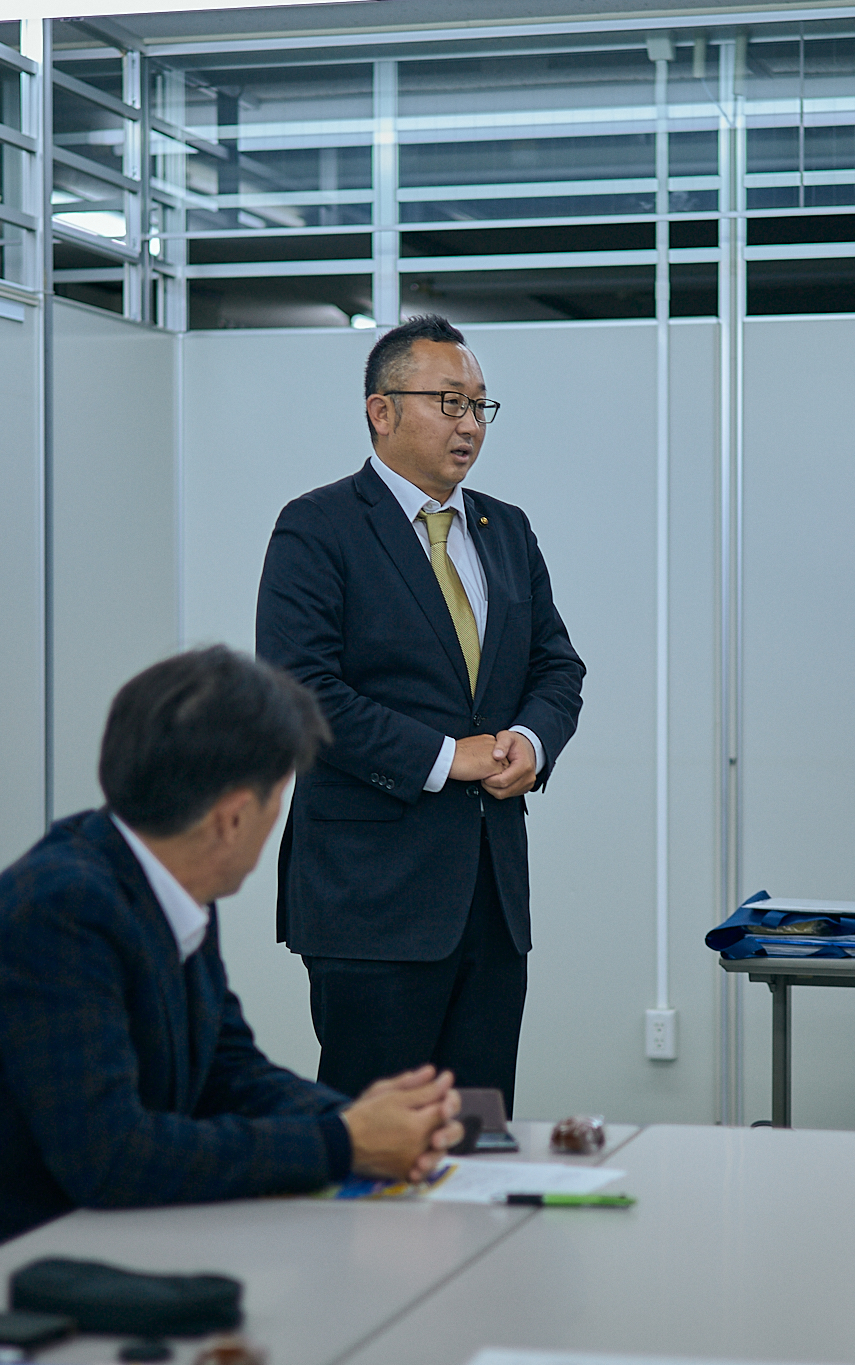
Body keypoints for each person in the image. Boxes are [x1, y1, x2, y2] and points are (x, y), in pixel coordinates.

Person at [0, 647, 463, 1322]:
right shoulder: (64, 908)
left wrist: (352, 1120)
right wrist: (345, 1144)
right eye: (277, 801)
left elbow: (228, 1070)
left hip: (46, 1256)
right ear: (231, 818)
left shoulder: (164, 882)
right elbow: (112, 1158)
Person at [255, 314, 585, 1117]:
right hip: (371, 904)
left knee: (475, 1131)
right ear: (382, 410)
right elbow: (300, 691)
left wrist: (530, 740)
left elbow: (556, 664)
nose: (470, 424)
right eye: (449, 401)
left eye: (480, 405)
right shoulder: (318, 526)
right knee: (379, 1147)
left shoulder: (504, 529)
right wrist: (448, 756)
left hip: (490, 898)